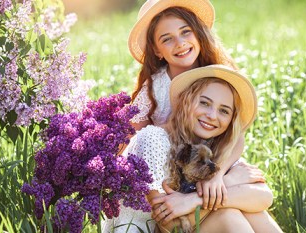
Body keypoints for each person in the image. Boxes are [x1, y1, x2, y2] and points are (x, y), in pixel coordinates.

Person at [105, 65, 282, 232]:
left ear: (230, 122)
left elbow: (264, 197)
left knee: (254, 213)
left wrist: (193, 200)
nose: (212, 115)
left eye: (224, 111)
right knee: (229, 215)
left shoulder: (210, 145)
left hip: (189, 221)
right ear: (186, 100)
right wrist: (231, 182)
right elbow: (168, 223)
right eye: (204, 103)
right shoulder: (154, 140)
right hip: (150, 229)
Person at [127, 0, 240, 211]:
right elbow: (133, 143)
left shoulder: (218, 75)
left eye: (185, 32)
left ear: (198, 33)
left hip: (210, 164)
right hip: (167, 177)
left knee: (248, 195)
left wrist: (217, 175)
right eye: (167, 39)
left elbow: (237, 135)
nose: (179, 43)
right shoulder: (154, 88)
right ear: (157, 50)